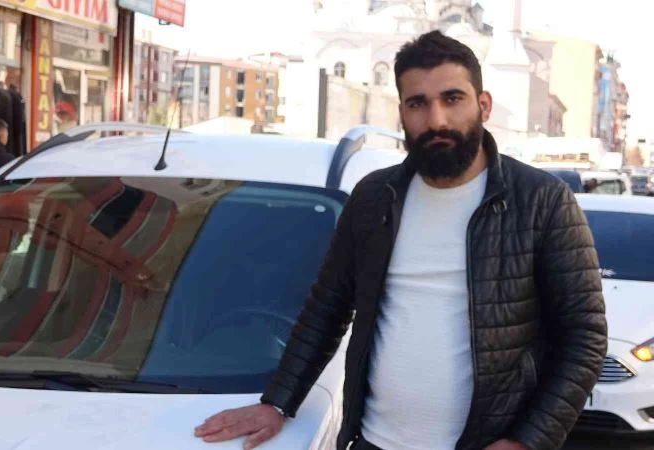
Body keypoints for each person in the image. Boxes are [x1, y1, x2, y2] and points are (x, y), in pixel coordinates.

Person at [195, 31, 607, 450]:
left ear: (483, 105)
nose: (436, 120)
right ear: (402, 113)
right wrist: (277, 402)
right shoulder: (375, 197)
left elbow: (584, 338)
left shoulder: (541, 201)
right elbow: (327, 308)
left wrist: (526, 441)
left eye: (452, 98)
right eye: (418, 103)